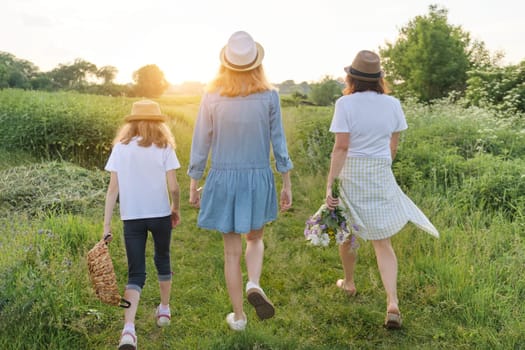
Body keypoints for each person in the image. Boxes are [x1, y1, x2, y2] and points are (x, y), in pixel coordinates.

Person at [324, 50, 439, 329]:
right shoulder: (392, 104)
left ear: (351, 77)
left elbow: (341, 147)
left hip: (352, 172)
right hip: (380, 170)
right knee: (382, 241)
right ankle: (392, 302)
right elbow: (393, 146)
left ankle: (349, 283)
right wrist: (381, 167)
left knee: (348, 232)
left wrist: (330, 184)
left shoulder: (345, 103)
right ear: (379, 79)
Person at [188, 31, 293, 331]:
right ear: (256, 64)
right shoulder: (270, 96)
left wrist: (194, 181)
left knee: (231, 252)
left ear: (226, 64)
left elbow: (200, 143)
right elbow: (279, 143)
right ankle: (254, 282)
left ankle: (239, 317)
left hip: (223, 178)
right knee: (255, 238)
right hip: (258, 177)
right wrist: (286, 181)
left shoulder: (212, 97)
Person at [102, 100, 181, 349]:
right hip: (159, 215)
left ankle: (128, 331)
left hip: (131, 217)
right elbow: (173, 187)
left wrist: (106, 226)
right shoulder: (165, 146)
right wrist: (175, 208)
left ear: (132, 123)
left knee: (136, 272)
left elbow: (112, 190)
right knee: (162, 259)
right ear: (159, 124)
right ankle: (165, 311)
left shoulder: (120, 148)